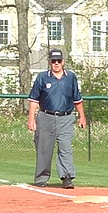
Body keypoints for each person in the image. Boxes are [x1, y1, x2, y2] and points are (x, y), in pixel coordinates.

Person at [27, 48, 87, 188]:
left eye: (58, 61)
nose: (56, 63)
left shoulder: (70, 77)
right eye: (53, 61)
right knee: (44, 149)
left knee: (66, 148)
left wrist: (82, 117)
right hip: (46, 116)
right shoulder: (42, 77)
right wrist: (31, 119)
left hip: (66, 117)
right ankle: (41, 179)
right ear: (49, 62)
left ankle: (67, 177)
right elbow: (34, 100)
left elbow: (77, 99)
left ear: (63, 62)